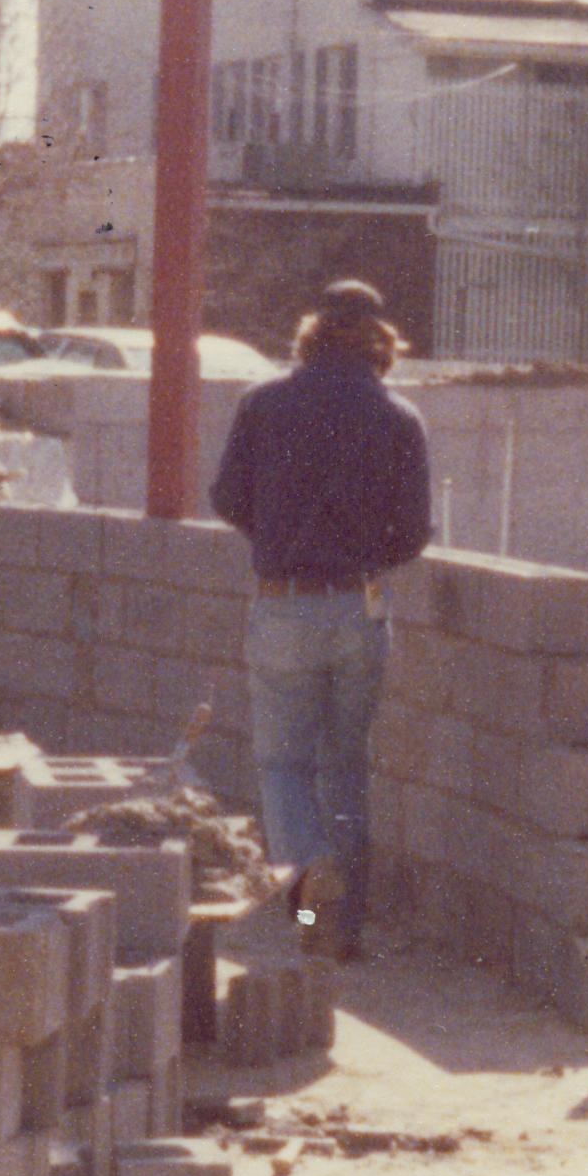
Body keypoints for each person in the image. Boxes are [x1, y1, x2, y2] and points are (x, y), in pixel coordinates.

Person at [209, 279, 432, 959]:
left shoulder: (264, 404)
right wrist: (361, 558)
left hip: (283, 604)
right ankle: (339, 936)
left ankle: (308, 885)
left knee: (282, 767)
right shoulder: (398, 419)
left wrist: (277, 542)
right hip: (358, 608)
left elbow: (225, 498)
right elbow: (413, 533)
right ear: (378, 340)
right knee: (345, 770)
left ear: (311, 331)